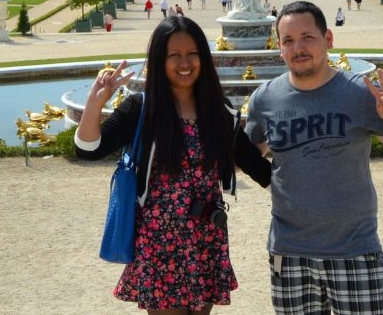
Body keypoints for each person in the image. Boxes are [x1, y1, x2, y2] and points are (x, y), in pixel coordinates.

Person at [75, 17, 271, 313]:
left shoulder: (218, 112)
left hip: (206, 235)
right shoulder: (142, 108)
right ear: (160, 60)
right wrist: (95, 103)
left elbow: (256, 167)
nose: (184, 63)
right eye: (174, 55)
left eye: (192, 54)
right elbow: (89, 149)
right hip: (160, 240)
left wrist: (287, 140)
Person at [244, 1, 383, 315]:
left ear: (328, 39)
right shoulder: (265, 99)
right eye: (288, 40)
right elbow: (245, 157)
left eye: (307, 37)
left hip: (353, 249)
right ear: (280, 48)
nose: (298, 48)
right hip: (289, 252)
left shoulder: (359, 94)